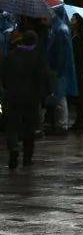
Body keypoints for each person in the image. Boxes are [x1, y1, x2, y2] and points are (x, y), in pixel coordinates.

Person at [3, 26, 51, 169]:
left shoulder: (11, 55)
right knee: (29, 128)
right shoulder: (37, 57)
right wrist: (46, 93)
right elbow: (44, 77)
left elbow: (4, 75)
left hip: (12, 96)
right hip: (31, 98)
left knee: (12, 126)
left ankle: (13, 149)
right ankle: (27, 157)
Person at [43, 9, 78, 135]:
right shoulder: (57, 28)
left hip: (59, 69)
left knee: (60, 96)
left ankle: (62, 124)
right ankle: (60, 123)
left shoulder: (60, 29)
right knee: (59, 95)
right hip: (58, 68)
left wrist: (57, 69)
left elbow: (61, 54)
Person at [68, 14, 83, 133]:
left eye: (73, 19)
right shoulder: (76, 37)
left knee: (79, 96)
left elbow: (80, 56)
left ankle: (81, 120)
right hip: (78, 70)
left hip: (79, 71)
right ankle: (80, 119)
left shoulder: (79, 39)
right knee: (78, 97)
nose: (71, 21)